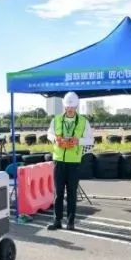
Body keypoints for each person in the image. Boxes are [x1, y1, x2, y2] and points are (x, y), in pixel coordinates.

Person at [46, 92, 94, 231]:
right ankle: (57, 220)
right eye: (68, 107)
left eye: (72, 107)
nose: (70, 109)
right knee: (58, 192)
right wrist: (55, 139)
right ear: (64, 106)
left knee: (72, 193)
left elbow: (90, 140)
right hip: (59, 161)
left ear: (76, 106)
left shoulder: (84, 122)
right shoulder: (56, 119)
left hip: (74, 162)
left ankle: (71, 222)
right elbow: (49, 134)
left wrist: (78, 141)